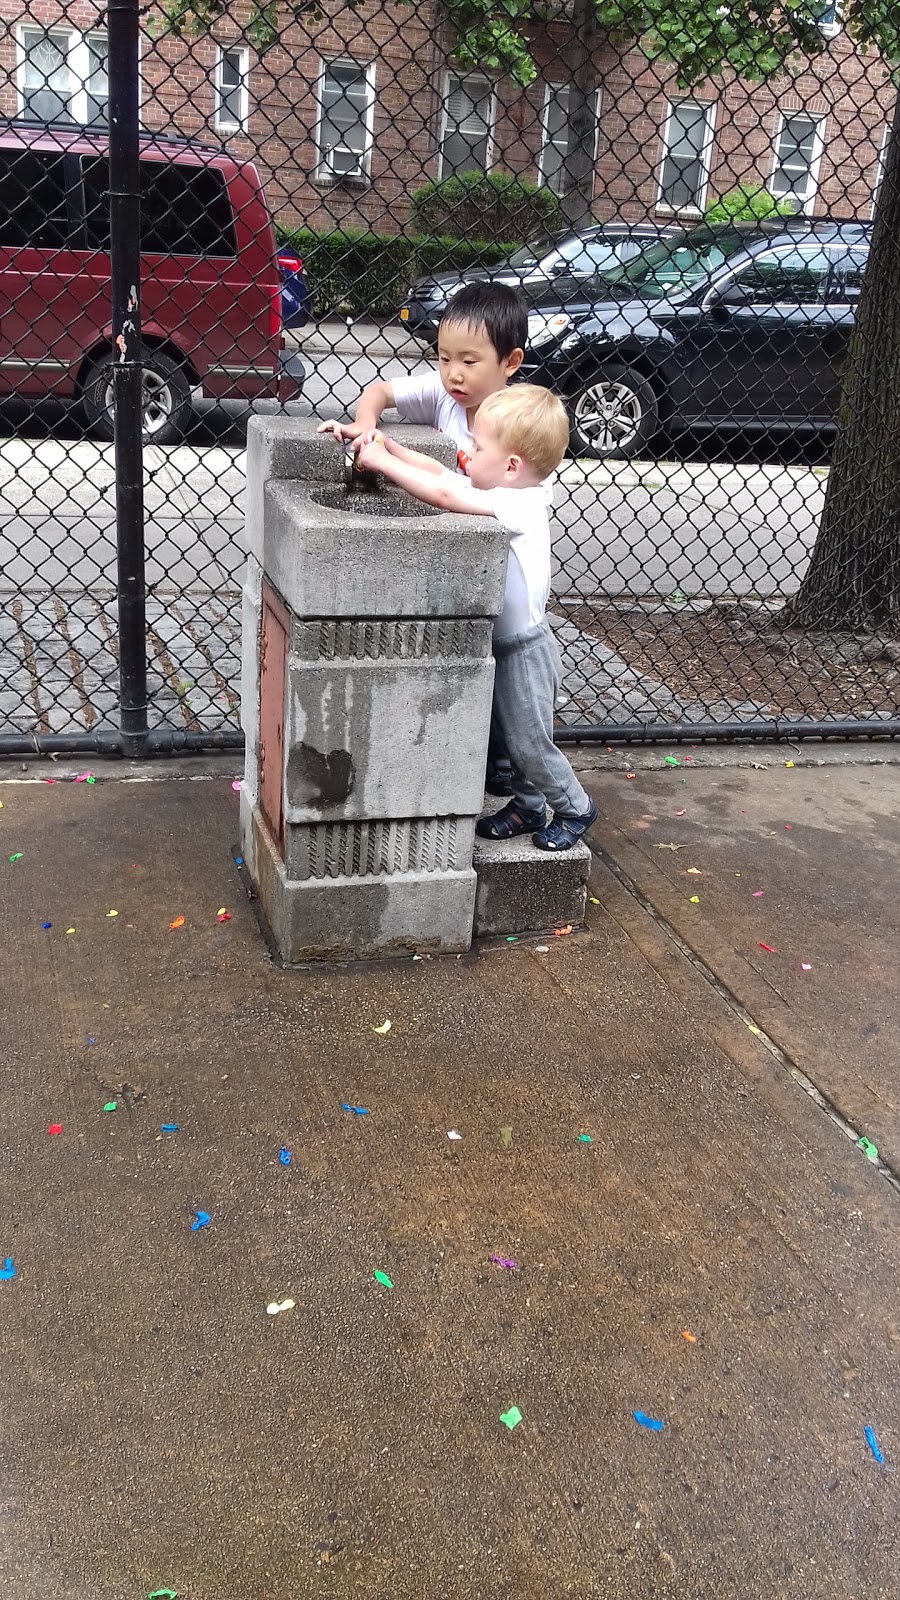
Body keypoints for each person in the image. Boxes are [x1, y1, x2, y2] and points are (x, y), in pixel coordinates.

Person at [318, 281, 545, 799]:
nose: (453, 374)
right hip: (462, 584)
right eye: (443, 357)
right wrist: (367, 427)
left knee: (514, 707)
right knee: (480, 687)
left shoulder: (520, 441)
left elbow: (448, 487)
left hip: (510, 602)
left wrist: (383, 458)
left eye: (468, 360)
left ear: (510, 362)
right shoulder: (447, 392)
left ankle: (525, 789)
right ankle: (492, 771)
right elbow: (381, 394)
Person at [350, 386, 598, 853]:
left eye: (479, 448)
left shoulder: (519, 502)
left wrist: (382, 464)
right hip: (506, 645)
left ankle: (574, 807)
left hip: (525, 648)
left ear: (511, 466)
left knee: (529, 742)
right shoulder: (505, 487)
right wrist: (386, 445)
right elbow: (442, 472)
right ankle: (528, 804)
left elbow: (443, 493)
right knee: (511, 734)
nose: (468, 455)